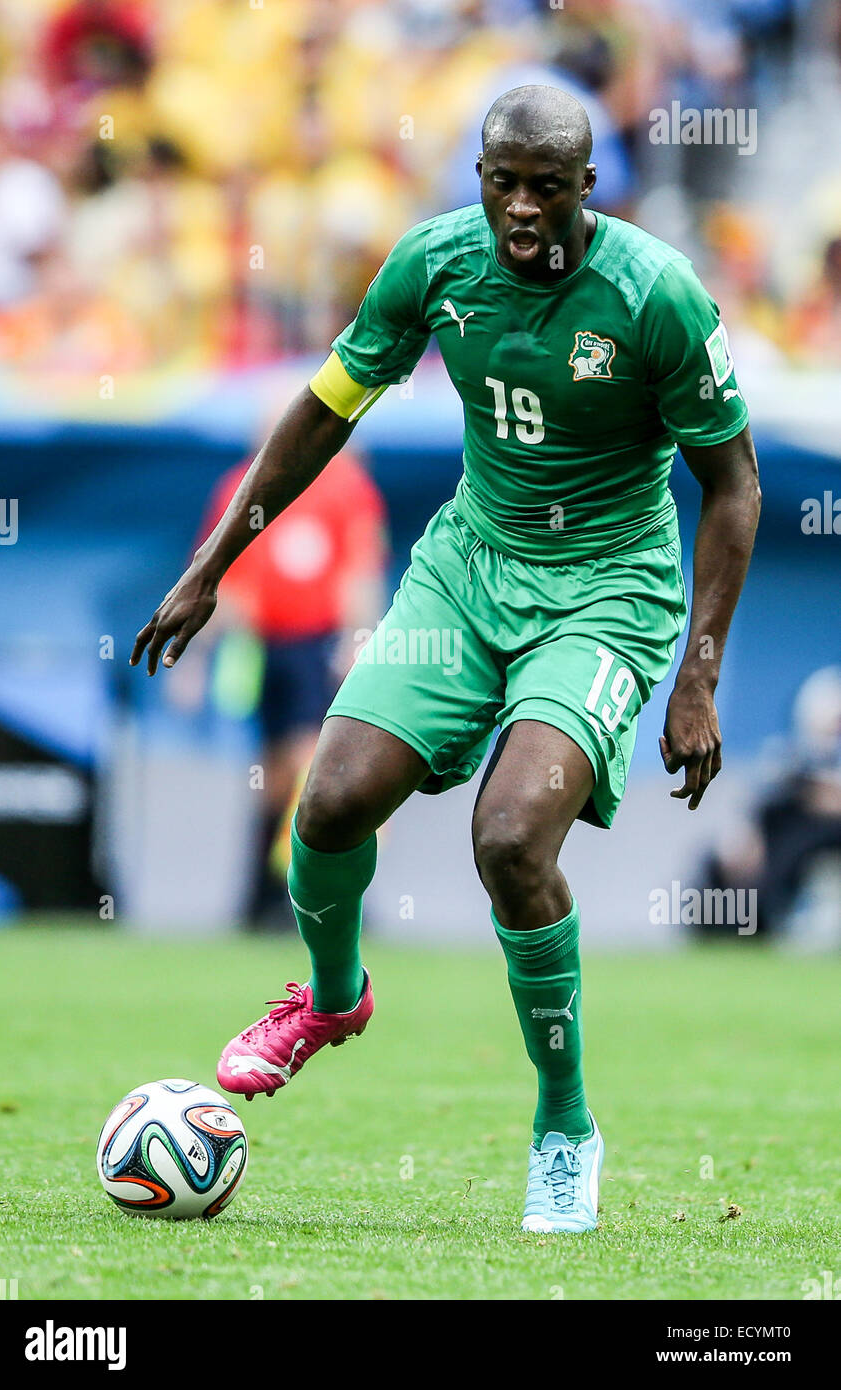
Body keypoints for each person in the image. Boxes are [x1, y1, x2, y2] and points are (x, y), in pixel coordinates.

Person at [132, 85, 761, 1234]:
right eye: (499, 181)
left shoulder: (653, 294)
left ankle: (564, 1126)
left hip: (605, 593)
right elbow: (325, 410)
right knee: (326, 807)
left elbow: (734, 485)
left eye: (545, 186)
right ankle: (330, 1000)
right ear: (476, 175)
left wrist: (697, 675)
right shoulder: (432, 264)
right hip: (468, 568)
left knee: (511, 838)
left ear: (587, 187)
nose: (519, 209)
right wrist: (213, 558)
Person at [198, 449, 386, 922]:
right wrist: (198, 657)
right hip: (260, 647)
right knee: (273, 770)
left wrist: (356, 640)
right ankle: (261, 894)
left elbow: (360, 570)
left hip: (317, 645)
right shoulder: (239, 483)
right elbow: (219, 572)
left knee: (310, 759)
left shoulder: (345, 485)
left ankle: (309, 889)